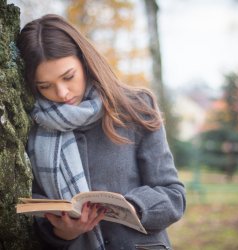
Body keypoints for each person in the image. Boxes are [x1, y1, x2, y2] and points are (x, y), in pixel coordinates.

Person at [17, 14, 186, 250]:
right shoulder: (29, 127)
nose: (62, 93)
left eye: (68, 77)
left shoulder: (136, 106)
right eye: (44, 86)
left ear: (85, 62)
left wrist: (133, 207)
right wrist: (63, 233)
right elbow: (33, 214)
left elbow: (174, 196)